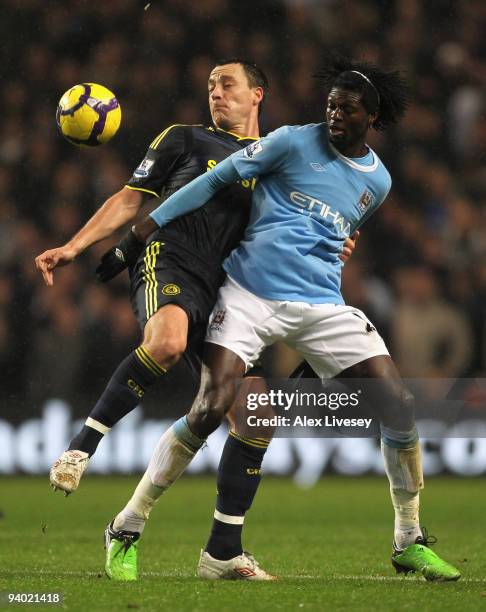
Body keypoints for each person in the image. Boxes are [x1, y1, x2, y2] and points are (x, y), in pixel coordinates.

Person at [114, 54, 461, 582]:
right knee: (212, 407)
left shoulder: (379, 182)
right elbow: (215, 182)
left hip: (321, 305)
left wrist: (334, 269)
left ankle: (408, 538)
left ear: (372, 116)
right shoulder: (292, 140)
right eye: (330, 106)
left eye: (346, 109)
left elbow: (334, 236)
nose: (334, 116)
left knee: (399, 404)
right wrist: (145, 228)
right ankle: (128, 524)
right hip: (249, 293)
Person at [34, 57, 359, 581]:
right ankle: (81, 447)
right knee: (165, 341)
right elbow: (129, 198)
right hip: (174, 256)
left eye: (226, 84)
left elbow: (303, 222)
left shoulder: (278, 160)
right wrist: (74, 247)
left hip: (230, 286)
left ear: (258, 94)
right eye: (209, 85)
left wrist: (334, 242)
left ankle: (211, 549)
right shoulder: (184, 139)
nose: (215, 92)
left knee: (254, 417)